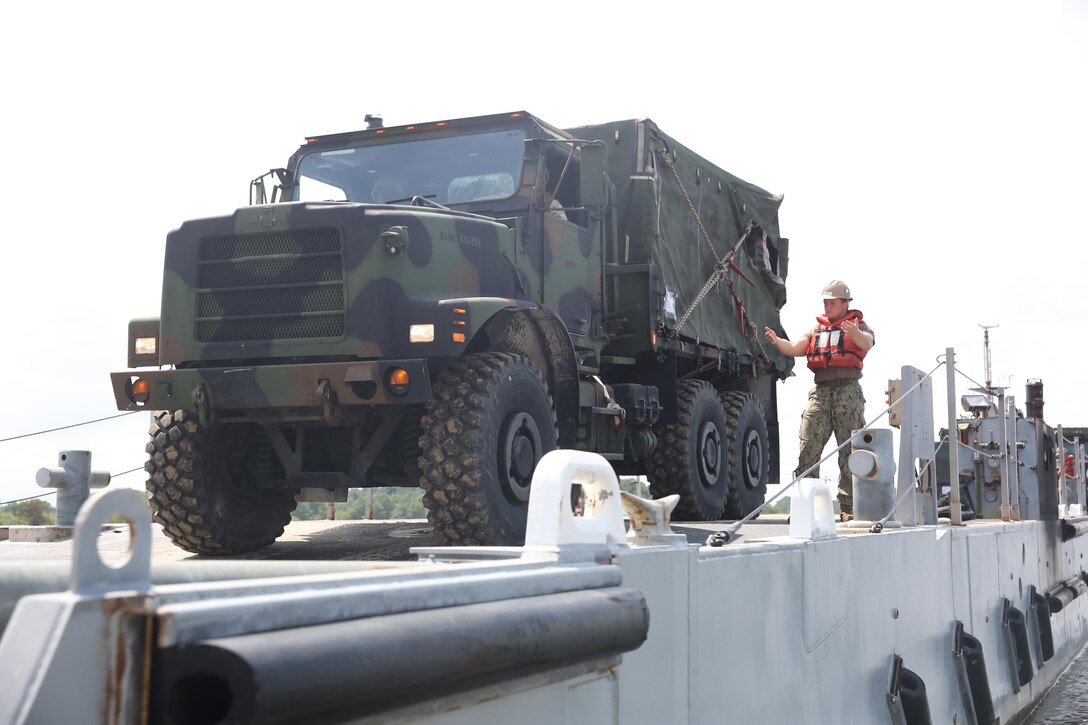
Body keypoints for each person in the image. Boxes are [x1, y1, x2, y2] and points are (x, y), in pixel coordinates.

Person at [763, 280, 875, 521]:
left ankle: (849, 508)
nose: (828, 306)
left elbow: (867, 343)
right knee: (808, 447)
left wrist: (854, 333)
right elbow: (795, 347)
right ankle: (805, 507)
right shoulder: (817, 330)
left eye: (832, 302)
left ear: (845, 303)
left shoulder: (859, 325)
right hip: (821, 393)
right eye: (825, 302)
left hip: (848, 392)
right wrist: (776, 342)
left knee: (850, 449)